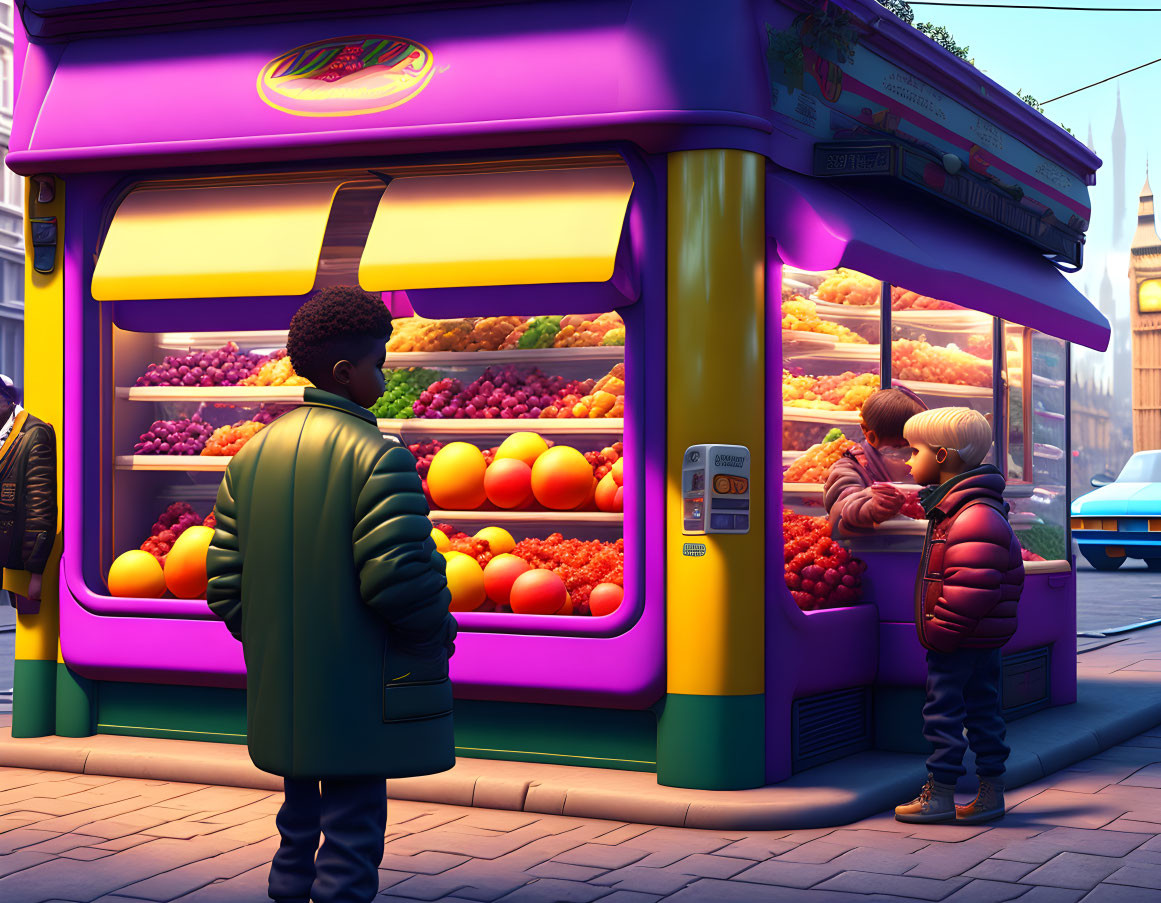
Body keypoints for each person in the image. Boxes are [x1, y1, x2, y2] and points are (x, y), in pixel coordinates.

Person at [206, 286, 455, 903]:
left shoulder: (250, 456)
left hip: (282, 682)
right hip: (359, 681)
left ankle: (288, 892)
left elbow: (223, 583)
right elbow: (398, 574)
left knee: (298, 822)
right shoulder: (378, 457)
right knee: (353, 824)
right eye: (379, 362)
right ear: (345, 373)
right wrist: (434, 635)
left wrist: (268, 635)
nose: (385, 373)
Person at [893, 406, 1024, 825]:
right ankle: (989, 793)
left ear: (944, 456)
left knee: (943, 714)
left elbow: (974, 588)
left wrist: (941, 633)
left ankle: (941, 794)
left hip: (960, 639)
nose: (908, 460)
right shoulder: (964, 508)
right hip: (976, 637)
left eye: (914, 451)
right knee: (983, 711)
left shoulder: (971, 515)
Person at [822, 386, 927, 534]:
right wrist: (869, 507)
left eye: (915, 448)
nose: (909, 460)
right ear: (871, 437)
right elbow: (842, 506)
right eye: (898, 449)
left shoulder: (924, 461)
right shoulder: (849, 468)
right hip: (867, 551)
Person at [0, 375, 57, 615]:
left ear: (7, 400)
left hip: (15, 555)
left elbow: (40, 506)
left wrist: (36, 571)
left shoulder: (35, 434)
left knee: (27, 623)